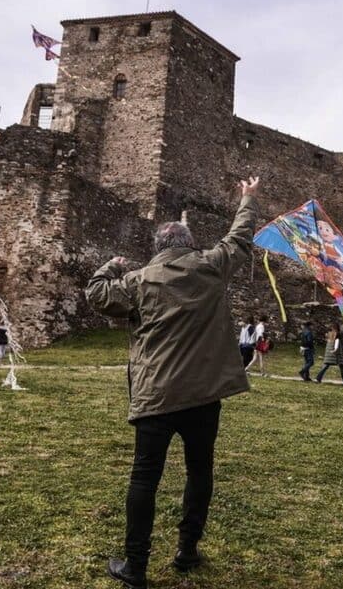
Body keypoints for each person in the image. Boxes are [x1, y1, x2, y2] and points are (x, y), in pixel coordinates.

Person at [85, 176, 259, 589]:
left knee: (145, 477)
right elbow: (240, 237)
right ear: (189, 243)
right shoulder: (211, 265)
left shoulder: (138, 281)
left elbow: (96, 293)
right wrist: (248, 198)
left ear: (158, 247)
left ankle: (136, 567)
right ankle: (186, 550)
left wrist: (112, 265)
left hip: (156, 395)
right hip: (202, 395)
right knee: (199, 471)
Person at [315, 322, 343, 386]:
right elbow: (337, 342)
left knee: (325, 366)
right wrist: (336, 349)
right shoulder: (338, 335)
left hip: (329, 353)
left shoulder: (329, 334)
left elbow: (329, 343)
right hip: (337, 353)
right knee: (342, 368)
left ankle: (318, 378)